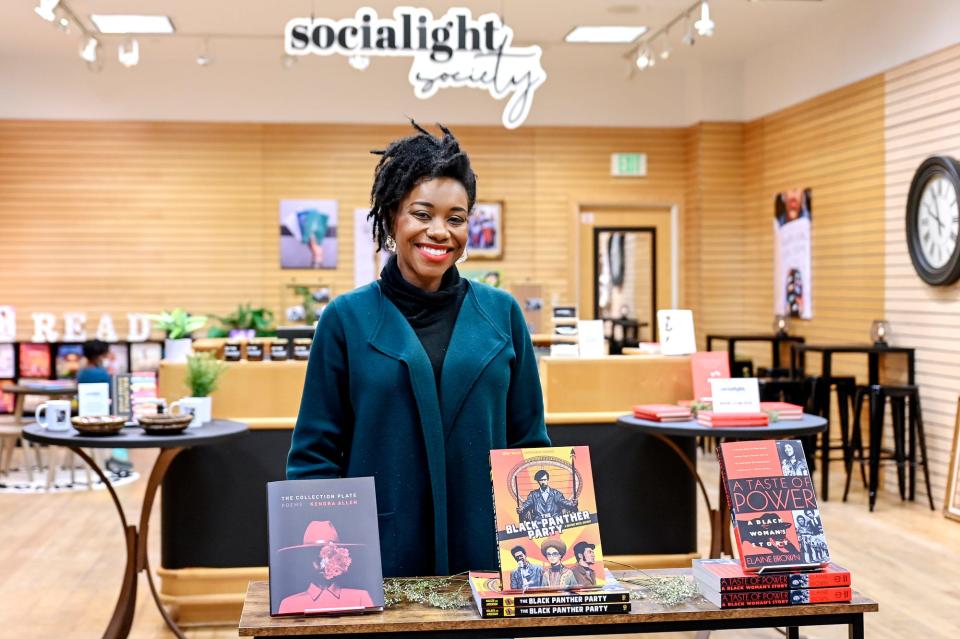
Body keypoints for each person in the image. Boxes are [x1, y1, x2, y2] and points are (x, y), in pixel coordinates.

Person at [286, 121, 550, 577]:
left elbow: (528, 445)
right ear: (392, 217)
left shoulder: (502, 313)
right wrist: (323, 565)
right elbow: (315, 459)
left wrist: (545, 561)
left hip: (489, 557)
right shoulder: (345, 319)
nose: (440, 232)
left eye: (456, 218)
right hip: (380, 557)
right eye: (422, 214)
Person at [277, 520, 375, 614]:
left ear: (339, 556)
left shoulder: (360, 598)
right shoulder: (288, 604)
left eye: (327, 554)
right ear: (305, 559)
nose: (320, 562)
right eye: (312, 554)